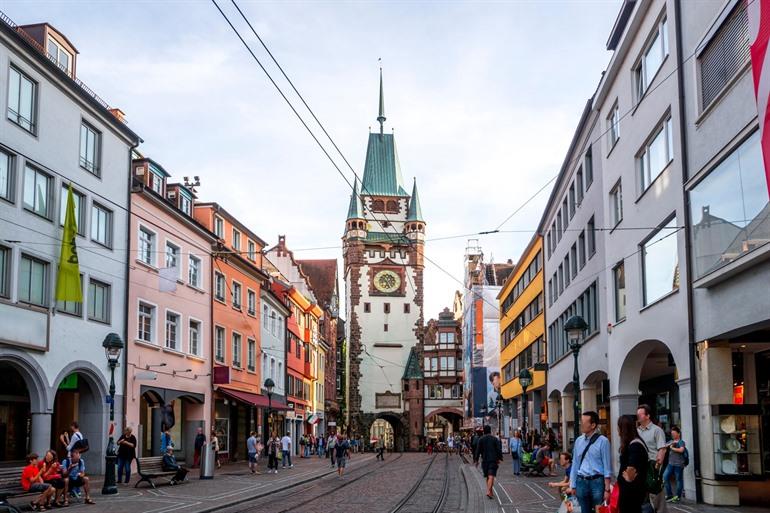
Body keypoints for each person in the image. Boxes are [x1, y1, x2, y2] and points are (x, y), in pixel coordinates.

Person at [566, 412, 612, 513]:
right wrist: (572, 485)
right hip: (581, 481)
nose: (580, 424)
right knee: (584, 510)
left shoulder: (603, 441)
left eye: (583, 422)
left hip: (597, 482)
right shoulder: (578, 441)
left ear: (593, 425)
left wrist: (607, 490)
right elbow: (575, 464)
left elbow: (607, 467)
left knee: (599, 510)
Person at [637, 404, 668, 513]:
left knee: (657, 495)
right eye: (638, 414)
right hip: (642, 467)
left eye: (640, 414)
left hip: (653, 466)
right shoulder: (637, 431)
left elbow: (662, 449)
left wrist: (657, 468)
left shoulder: (657, 430)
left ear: (647, 416)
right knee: (645, 496)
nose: (638, 416)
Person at [618, 415, 649, 513]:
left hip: (632, 492)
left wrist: (625, 477)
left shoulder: (635, 445)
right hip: (631, 490)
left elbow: (631, 471)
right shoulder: (633, 443)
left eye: (619, 427)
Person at [474, 425, 503, 499]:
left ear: (484, 431)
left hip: (485, 461)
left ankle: (490, 492)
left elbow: (477, 451)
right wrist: (500, 458)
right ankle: (488, 491)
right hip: (493, 460)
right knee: (491, 476)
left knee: (489, 476)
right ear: (490, 431)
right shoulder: (494, 439)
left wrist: (476, 460)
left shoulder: (481, 439)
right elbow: (498, 449)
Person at [663, 426, 686, 503]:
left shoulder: (681, 442)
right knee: (665, 477)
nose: (673, 435)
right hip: (670, 463)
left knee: (679, 480)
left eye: (674, 433)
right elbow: (664, 446)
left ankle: (677, 497)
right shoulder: (671, 441)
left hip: (678, 464)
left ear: (678, 433)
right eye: (672, 433)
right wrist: (670, 444)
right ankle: (669, 495)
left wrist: (672, 448)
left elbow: (681, 450)